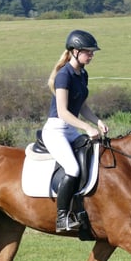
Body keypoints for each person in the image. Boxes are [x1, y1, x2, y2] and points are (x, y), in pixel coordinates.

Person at [41, 29, 109, 232]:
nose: (92, 55)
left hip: (71, 129)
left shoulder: (83, 74)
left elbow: (82, 106)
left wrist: (97, 122)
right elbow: (62, 112)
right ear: (75, 51)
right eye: (89, 52)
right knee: (73, 169)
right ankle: (62, 217)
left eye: (92, 52)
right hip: (56, 130)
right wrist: (86, 127)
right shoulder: (64, 76)